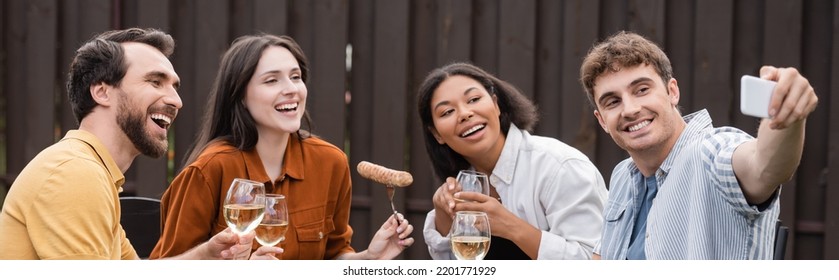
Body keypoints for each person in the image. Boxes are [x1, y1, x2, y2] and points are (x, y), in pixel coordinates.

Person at [0, 28, 279, 260]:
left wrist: (208, 257)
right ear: (102, 92)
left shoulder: (92, 172)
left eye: (174, 86)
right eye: (155, 82)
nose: (176, 101)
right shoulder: (73, 174)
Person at [149, 34, 414, 260]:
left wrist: (369, 258)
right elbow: (166, 268)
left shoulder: (330, 162)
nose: (291, 89)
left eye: (296, 77)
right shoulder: (209, 169)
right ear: (241, 96)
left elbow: (333, 256)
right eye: (272, 80)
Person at [579, 31, 818, 259]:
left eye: (642, 90)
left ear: (672, 92)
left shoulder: (710, 151)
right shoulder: (623, 175)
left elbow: (764, 168)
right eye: (612, 101)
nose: (630, 109)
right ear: (602, 121)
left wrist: (785, 116)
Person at [417, 62, 608, 259]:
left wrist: (511, 226)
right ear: (437, 134)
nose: (465, 114)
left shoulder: (558, 166)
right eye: (447, 112)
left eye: (473, 99)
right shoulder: (463, 185)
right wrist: (443, 219)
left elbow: (595, 261)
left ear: (495, 104)